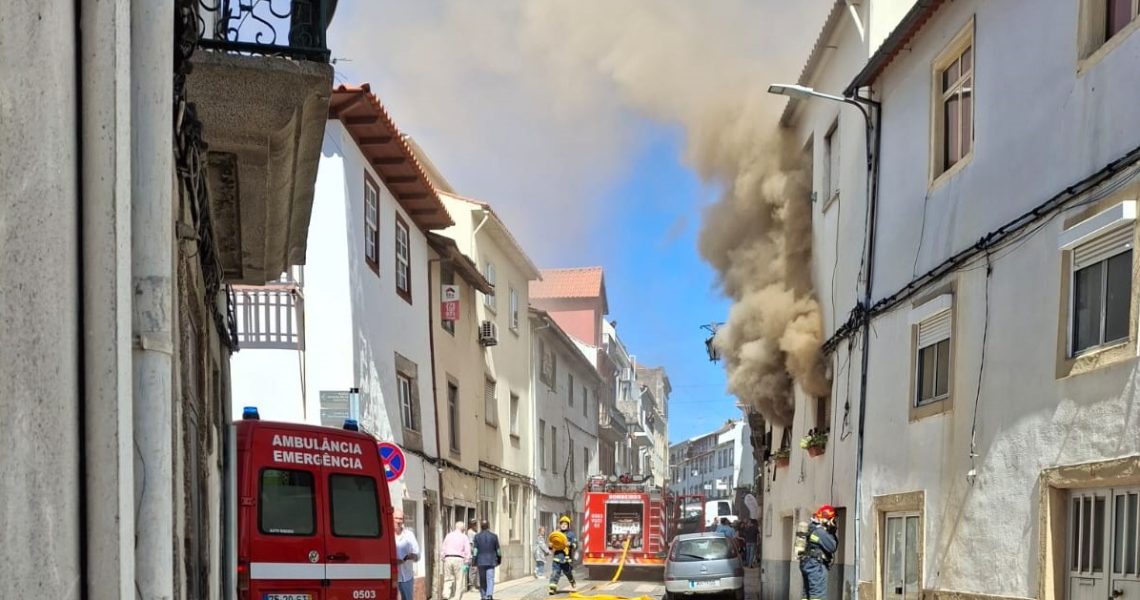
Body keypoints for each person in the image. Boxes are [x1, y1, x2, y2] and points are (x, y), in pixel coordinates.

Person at [799, 505, 838, 600]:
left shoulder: (811, 527)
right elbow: (832, 546)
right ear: (827, 519)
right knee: (817, 595)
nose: (834, 522)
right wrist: (832, 531)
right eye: (833, 520)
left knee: (807, 594)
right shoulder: (820, 531)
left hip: (806, 563)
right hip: (816, 566)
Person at [393, 510, 420, 600]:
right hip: (392, 577)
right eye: (396, 518)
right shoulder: (387, 535)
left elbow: (417, 554)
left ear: (403, 521)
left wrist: (412, 556)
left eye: (401, 519)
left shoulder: (409, 535)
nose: (398, 521)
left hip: (406, 577)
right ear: (392, 519)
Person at [440, 521, 472, 600]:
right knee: (459, 580)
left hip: (448, 558)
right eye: (464, 528)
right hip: (459, 559)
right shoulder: (464, 537)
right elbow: (467, 551)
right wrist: (467, 562)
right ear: (462, 528)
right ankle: (457, 598)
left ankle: (446, 595)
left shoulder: (449, 535)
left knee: (447, 578)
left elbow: (443, 547)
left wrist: (443, 558)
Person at [547, 515, 578, 595]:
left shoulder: (571, 534)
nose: (563, 525)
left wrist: (570, 544)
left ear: (568, 525)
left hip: (566, 559)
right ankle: (552, 588)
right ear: (560, 525)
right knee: (555, 573)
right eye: (562, 524)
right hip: (557, 558)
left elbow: (575, 545)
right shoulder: (556, 534)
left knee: (568, 573)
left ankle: (572, 581)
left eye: (565, 524)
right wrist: (550, 546)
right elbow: (552, 545)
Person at [472, 520, 502, 600]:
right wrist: (499, 559)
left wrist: (474, 561)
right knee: (490, 578)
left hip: (481, 561)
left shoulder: (477, 536)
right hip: (491, 560)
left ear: (481, 526)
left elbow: (475, 550)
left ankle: (483, 595)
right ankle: (489, 595)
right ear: (488, 526)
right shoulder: (494, 536)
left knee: (482, 579)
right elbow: (498, 550)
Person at [467, 519, 480, 592]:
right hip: (473, 555)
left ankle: (476, 585)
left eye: (476, 524)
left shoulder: (475, 532)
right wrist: (474, 554)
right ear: (471, 525)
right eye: (474, 524)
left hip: (477, 554)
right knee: (473, 570)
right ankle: (471, 586)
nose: (475, 525)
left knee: (476, 570)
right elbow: (471, 545)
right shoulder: (470, 532)